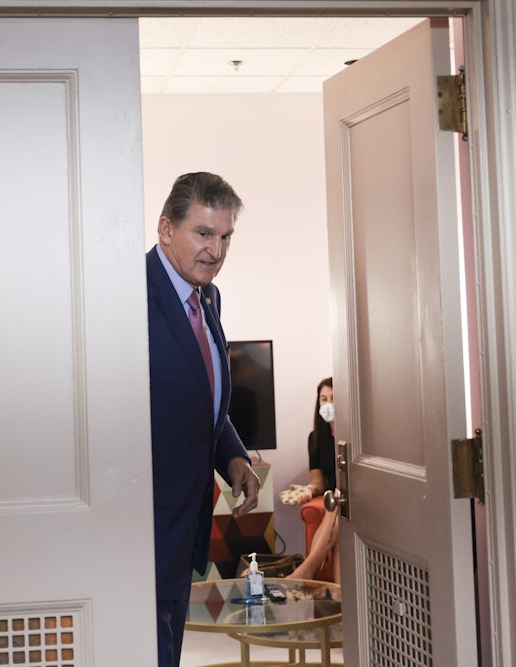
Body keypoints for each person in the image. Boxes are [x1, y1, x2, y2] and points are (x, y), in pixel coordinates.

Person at [146, 171, 261, 667]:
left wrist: (233, 457)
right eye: (203, 233)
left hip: (185, 523)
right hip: (143, 525)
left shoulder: (207, 296)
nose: (216, 251)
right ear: (165, 229)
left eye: (226, 237)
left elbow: (202, 395)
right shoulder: (129, 295)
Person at [283, 377, 336, 506]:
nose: (329, 404)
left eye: (334, 398)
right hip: (334, 501)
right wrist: (308, 490)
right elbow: (318, 482)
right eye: (324, 399)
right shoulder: (315, 438)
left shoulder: (356, 437)